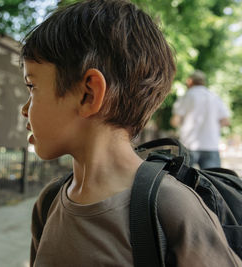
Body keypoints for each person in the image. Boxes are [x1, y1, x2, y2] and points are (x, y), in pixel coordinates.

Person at [20, 0, 241, 266]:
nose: (24, 109)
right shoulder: (49, 202)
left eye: (32, 86)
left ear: (89, 94)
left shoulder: (173, 209)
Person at [170, 70, 230, 169]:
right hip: (211, 145)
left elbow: (174, 121)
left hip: (188, 146)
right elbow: (226, 121)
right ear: (203, 82)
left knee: (182, 182)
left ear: (189, 81)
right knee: (212, 180)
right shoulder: (214, 97)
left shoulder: (186, 96)